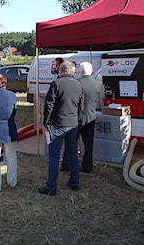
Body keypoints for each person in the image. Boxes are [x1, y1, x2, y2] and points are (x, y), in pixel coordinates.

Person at [38, 61, 83, 196]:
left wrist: (45, 122)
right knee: (72, 154)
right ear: (73, 71)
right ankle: (74, 182)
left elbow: (49, 105)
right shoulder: (79, 85)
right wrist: (78, 122)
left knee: (54, 155)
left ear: (61, 71)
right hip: (73, 123)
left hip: (58, 123)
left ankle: (51, 186)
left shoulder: (56, 84)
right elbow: (81, 106)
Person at [77, 62, 102, 173]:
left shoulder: (76, 83)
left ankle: (67, 164)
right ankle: (87, 167)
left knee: (72, 143)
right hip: (90, 117)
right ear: (91, 71)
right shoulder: (97, 84)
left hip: (76, 118)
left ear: (81, 71)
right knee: (88, 144)